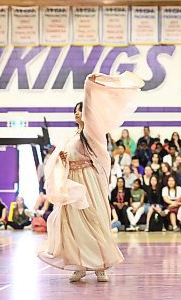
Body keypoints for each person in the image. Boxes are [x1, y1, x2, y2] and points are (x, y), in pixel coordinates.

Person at [38, 72, 144, 282]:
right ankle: (80, 265)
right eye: (76, 111)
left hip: (88, 181)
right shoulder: (73, 137)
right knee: (74, 224)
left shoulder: (92, 133)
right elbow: (65, 160)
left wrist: (89, 84)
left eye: (81, 110)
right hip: (73, 181)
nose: (78, 113)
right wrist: (63, 159)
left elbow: (90, 105)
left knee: (95, 221)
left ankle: (101, 266)